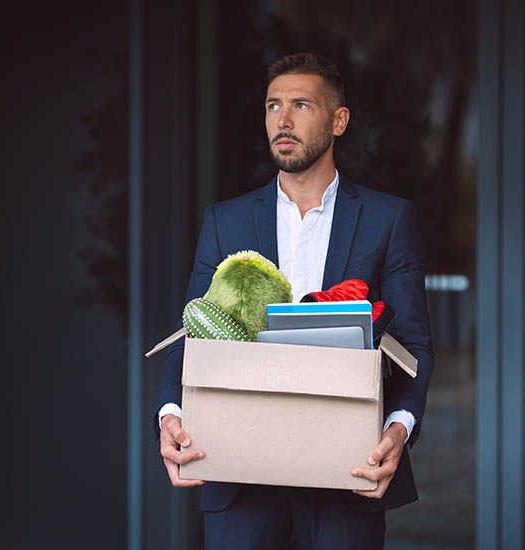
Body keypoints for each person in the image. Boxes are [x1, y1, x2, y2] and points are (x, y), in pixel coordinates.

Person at [154, 52, 434, 549]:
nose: (281, 120)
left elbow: (413, 344)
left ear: (338, 120)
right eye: (272, 106)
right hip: (238, 475)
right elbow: (191, 333)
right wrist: (170, 413)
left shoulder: (388, 219)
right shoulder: (226, 221)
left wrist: (398, 430)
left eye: (301, 105)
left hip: (348, 472)